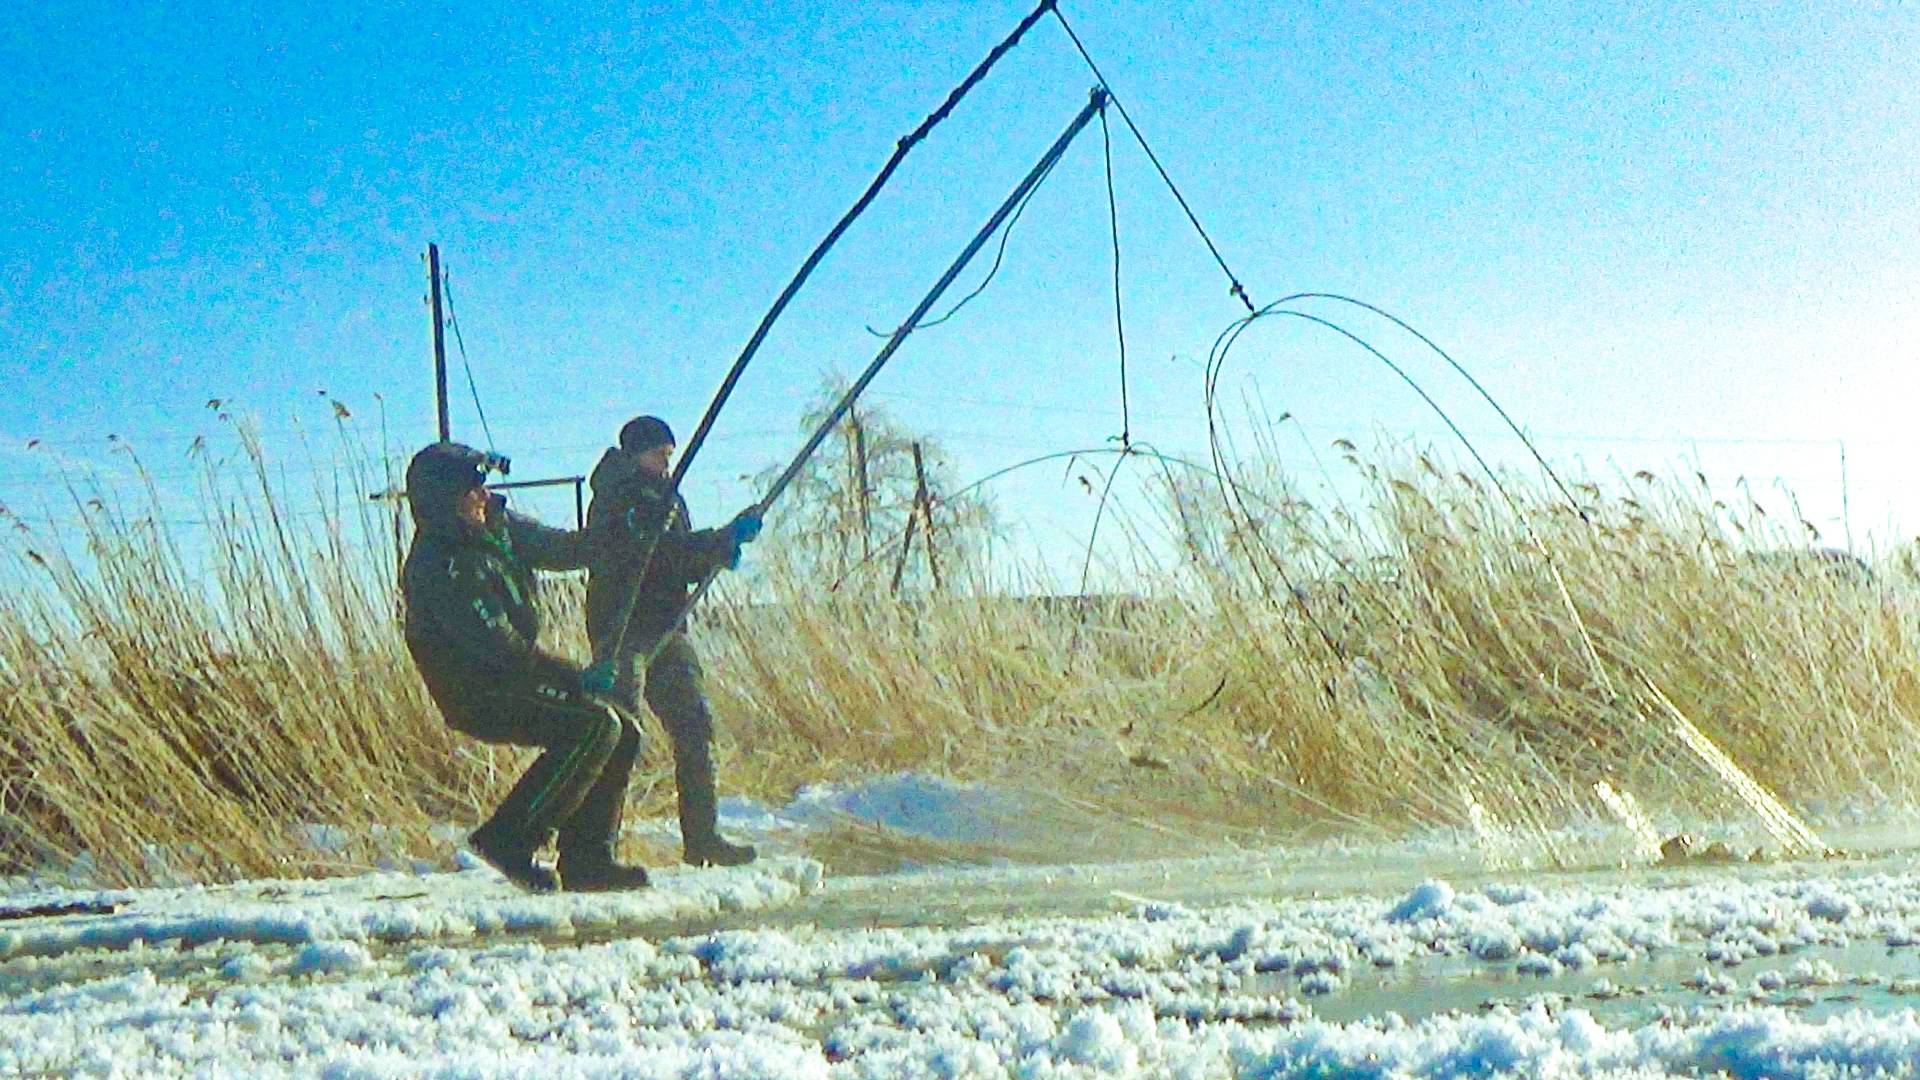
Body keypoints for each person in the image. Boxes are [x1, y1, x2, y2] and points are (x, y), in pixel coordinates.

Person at [401, 441, 651, 892]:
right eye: (469, 491)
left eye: (482, 487)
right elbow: (502, 649)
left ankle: (587, 859)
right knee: (594, 725)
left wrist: (624, 532)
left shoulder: (500, 528)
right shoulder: (442, 566)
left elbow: (569, 550)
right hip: (478, 690)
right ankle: (507, 839)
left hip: (516, 676)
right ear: (441, 501)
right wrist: (576, 677)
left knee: (625, 728)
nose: (482, 496)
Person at [585, 415, 762, 867]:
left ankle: (703, 838)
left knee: (695, 723)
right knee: (620, 733)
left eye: (668, 455)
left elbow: (680, 561)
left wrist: (718, 552)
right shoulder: (618, 497)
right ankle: (594, 849)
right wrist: (717, 541)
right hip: (624, 628)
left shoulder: (668, 495)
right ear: (634, 453)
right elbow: (653, 555)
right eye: (658, 454)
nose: (666, 462)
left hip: (668, 625)